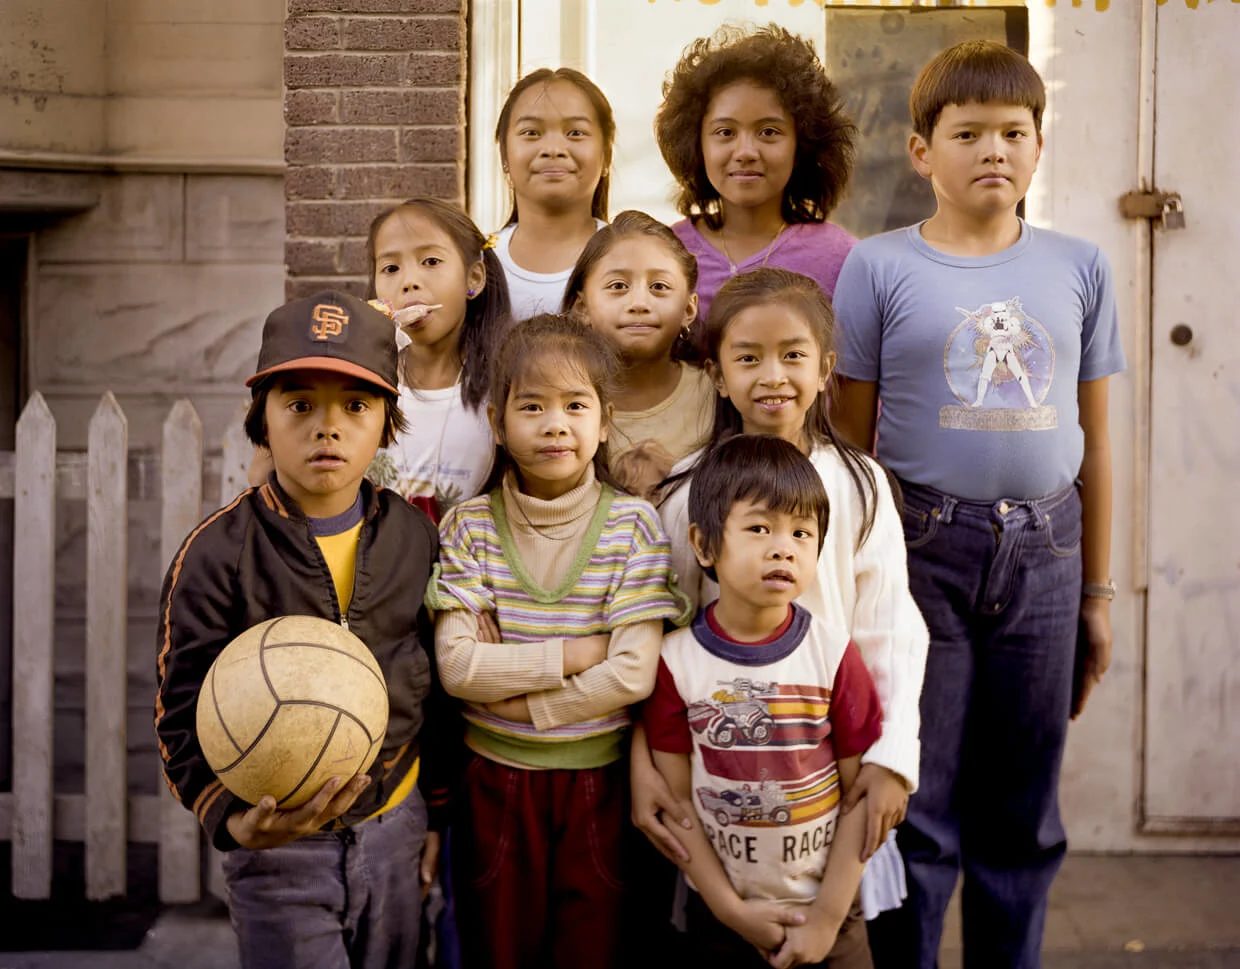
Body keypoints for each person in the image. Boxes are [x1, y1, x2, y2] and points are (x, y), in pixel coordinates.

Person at [830, 41, 1125, 969]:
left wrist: (1100, 591)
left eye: (1013, 132)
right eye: (967, 133)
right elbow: (850, 443)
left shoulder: (1081, 266)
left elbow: (1097, 442)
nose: (992, 149)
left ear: (1039, 147)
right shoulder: (878, 269)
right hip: (921, 549)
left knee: (1023, 810)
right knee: (918, 797)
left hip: (1048, 552)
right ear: (923, 152)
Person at [634, 268, 929, 962]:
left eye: (793, 355)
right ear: (715, 371)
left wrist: (891, 758)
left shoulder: (859, 485)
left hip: (832, 772)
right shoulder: (684, 495)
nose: (773, 375)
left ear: (826, 368)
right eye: (748, 356)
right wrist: (644, 764)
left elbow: (891, 628)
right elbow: (653, 633)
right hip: (721, 790)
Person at [154, 291, 453, 969]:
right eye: (300, 404)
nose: (329, 426)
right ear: (262, 417)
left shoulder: (413, 536)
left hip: (395, 822)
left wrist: (434, 812)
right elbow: (179, 708)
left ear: (386, 422)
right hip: (278, 844)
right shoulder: (217, 552)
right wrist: (232, 818)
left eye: (356, 405)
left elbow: (433, 688)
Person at [426, 314, 689, 969]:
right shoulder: (470, 527)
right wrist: (577, 653)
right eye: (532, 406)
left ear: (604, 422)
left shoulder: (632, 526)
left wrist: (522, 699)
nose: (555, 424)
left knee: (593, 950)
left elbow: (633, 674)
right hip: (493, 784)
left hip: (597, 785)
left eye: (576, 405)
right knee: (498, 948)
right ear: (497, 423)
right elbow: (458, 667)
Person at [645, 434, 885, 968]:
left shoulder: (833, 655)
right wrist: (730, 909)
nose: (784, 547)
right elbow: (680, 805)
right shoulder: (676, 663)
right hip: (720, 916)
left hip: (831, 913)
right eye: (759, 528)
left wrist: (825, 919)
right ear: (704, 545)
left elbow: (860, 798)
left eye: (802, 533)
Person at [656, 23, 858, 327]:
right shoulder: (662, 253)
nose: (746, 151)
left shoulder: (843, 260)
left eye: (768, 132)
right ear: (696, 144)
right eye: (725, 132)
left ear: (802, 144)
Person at [364, 197, 512, 522]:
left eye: (430, 262)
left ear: (473, 278)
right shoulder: (362, 382)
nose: (409, 282)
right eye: (390, 268)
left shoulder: (508, 383)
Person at [562, 209, 714, 498]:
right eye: (618, 286)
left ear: (688, 309)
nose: (640, 303)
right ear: (582, 308)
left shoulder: (714, 395)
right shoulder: (563, 402)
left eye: (659, 287)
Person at [493, 67, 615, 320]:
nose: (553, 149)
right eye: (531, 133)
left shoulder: (628, 257)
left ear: (606, 156)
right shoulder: (478, 262)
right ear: (504, 155)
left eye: (576, 133)